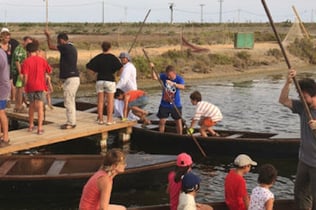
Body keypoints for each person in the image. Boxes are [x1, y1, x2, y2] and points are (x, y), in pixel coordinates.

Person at [279, 68, 316, 210]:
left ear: (314, 95)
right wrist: (288, 82)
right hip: (304, 160)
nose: (301, 99)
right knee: (300, 193)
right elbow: (283, 100)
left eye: (304, 96)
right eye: (300, 96)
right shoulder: (302, 107)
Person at [44, 30, 80, 129]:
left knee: (68, 101)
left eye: (58, 41)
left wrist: (48, 36)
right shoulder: (71, 48)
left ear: (61, 40)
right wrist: (53, 65)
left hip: (71, 79)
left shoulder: (65, 47)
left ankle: (71, 123)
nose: (58, 43)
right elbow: (66, 63)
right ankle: (72, 121)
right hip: (74, 78)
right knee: (70, 100)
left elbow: (50, 47)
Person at [86, 41, 123, 125]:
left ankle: (100, 119)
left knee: (100, 101)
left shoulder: (98, 57)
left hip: (100, 80)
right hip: (110, 80)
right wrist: (117, 75)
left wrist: (93, 75)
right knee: (110, 101)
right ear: (110, 48)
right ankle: (109, 120)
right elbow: (121, 68)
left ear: (102, 48)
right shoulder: (113, 58)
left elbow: (88, 66)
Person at [21, 42, 52, 135]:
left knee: (31, 106)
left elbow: (25, 76)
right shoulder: (42, 60)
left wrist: (24, 86)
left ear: (27, 51)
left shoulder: (26, 61)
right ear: (37, 51)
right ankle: (40, 128)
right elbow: (49, 70)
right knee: (40, 107)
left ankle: (30, 125)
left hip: (30, 86)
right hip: (40, 86)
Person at [151, 63, 185, 134]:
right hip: (164, 104)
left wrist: (173, 84)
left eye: (170, 75)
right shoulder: (164, 76)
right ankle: (161, 134)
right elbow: (154, 77)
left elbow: (182, 87)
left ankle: (180, 135)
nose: (168, 77)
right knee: (162, 121)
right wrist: (152, 68)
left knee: (178, 121)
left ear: (174, 73)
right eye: (167, 75)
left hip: (175, 104)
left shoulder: (179, 79)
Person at [11, 36, 33, 113]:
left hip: (22, 72)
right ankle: (18, 106)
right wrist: (20, 73)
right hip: (18, 72)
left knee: (20, 89)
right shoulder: (20, 49)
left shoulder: (25, 49)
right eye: (28, 42)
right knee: (19, 89)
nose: (29, 44)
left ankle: (18, 106)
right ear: (24, 41)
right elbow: (17, 62)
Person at [114, 52, 137, 120]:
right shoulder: (125, 67)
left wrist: (115, 88)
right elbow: (119, 76)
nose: (122, 60)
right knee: (121, 103)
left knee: (126, 104)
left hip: (129, 90)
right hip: (125, 89)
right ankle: (122, 116)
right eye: (121, 58)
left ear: (127, 59)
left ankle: (128, 118)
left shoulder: (128, 68)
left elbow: (124, 80)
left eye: (124, 58)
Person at [0, 28, 19, 106]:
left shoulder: (11, 45)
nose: (8, 39)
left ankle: (12, 99)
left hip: (9, 65)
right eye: (6, 38)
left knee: (10, 82)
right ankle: (5, 99)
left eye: (9, 38)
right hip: (2, 66)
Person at [0, 46, 11, 146]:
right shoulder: (2, 52)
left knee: (1, 112)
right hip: (4, 85)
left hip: (2, 87)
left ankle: (6, 138)